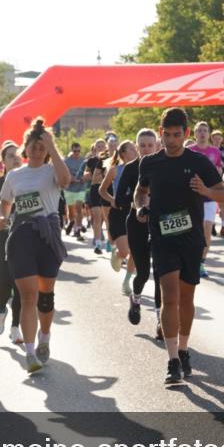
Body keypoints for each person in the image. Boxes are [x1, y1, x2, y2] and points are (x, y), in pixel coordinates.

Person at [134, 107, 224, 383]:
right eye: (167, 135)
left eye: (177, 135)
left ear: (186, 134)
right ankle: (173, 359)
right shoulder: (149, 163)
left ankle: (185, 349)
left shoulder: (199, 162)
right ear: (161, 133)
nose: (172, 140)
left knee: (187, 299)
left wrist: (206, 191)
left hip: (191, 239)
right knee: (170, 297)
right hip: (163, 238)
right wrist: (141, 207)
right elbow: (141, 192)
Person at [0, 117, 71, 374]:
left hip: (47, 235)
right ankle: (30, 354)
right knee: (28, 295)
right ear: (25, 148)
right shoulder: (15, 175)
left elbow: (65, 181)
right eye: (34, 145)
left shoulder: (52, 171)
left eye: (42, 146)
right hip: (22, 236)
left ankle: (45, 337)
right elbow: (5, 202)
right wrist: (3, 216)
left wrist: (52, 147)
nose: (38, 150)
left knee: (45, 295)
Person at [126, 129, 163, 338]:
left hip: (158, 223)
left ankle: (160, 320)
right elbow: (122, 197)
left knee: (159, 273)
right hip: (137, 223)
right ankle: (136, 298)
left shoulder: (162, 164)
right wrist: (138, 205)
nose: (147, 149)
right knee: (143, 273)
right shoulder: (131, 169)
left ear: (157, 145)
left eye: (150, 145)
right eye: (143, 146)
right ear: (137, 147)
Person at [0, 141, 24, 344]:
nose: (15, 158)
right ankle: (2, 308)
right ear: (3, 162)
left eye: (18, 154)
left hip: (24, 238)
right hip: (3, 237)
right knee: (4, 279)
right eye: (10, 155)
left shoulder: (28, 181)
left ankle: (15, 327)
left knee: (20, 283)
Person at [100, 140, 139, 295]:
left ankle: (127, 281)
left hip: (136, 211)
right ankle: (117, 254)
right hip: (119, 212)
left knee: (135, 250)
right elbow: (102, 191)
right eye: (131, 148)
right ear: (123, 153)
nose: (135, 150)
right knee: (125, 251)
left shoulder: (141, 168)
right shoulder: (115, 169)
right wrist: (112, 200)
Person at [190, 122, 224, 277]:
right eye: (199, 131)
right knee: (193, 231)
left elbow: (219, 171)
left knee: (206, 230)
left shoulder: (215, 152)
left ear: (209, 134)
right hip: (192, 197)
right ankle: (192, 259)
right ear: (194, 134)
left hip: (210, 197)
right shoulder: (189, 151)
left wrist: (218, 171)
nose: (202, 133)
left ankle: (201, 263)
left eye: (205, 131)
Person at [84, 139, 108, 254]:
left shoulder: (111, 159)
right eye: (98, 146)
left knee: (106, 218)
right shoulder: (91, 161)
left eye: (102, 146)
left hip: (108, 190)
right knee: (97, 216)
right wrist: (87, 175)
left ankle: (110, 242)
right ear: (95, 148)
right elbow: (86, 173)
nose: (100, 148)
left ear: (106, 147)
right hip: (95, 189)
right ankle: (98, 244)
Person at [64, 142, 88, 240]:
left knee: (78, 208)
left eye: (78, 151)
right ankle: (72, 222)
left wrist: (84, 177)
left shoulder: (84, 161)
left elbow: (88, 172)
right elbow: (65, 173)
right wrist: (71, 178)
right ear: (72, 151)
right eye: (75, 151)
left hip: (81, 188)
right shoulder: (67, 161)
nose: (77, 153)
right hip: (70, 188)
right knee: (71, 211)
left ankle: (77, 230)